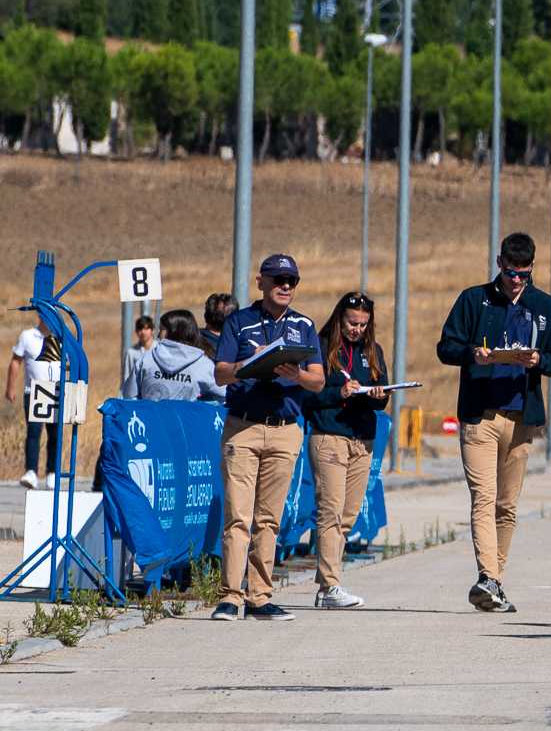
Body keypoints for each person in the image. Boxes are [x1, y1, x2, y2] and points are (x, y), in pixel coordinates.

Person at [436, 232, 551, 615]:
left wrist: (538, 360)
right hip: (480, 416)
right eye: (511, 274)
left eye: (524, 275)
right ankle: (486, 575)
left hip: (521, 416)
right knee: (484, 497)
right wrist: (472, 353)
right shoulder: (473, 299)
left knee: (508, 505)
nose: (516, 282)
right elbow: (445, 347)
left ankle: (496, 580)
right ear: (499, 264)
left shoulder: (545, 307)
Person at [211, 254, 326, 621]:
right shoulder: (238, 322)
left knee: (268, 519)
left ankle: (260, 596)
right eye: (278, 279)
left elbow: (318, 380)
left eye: (292, 280)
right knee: (238, 516)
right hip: (243, 427)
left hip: (284, 431)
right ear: (260, 281)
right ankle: (230, 596)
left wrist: (295, 375)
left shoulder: (304, 325)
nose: (286, 286)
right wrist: (251, 363)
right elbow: (220, 373)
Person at [305, 292, 390, 610]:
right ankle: (329, 586)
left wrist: (378, 394)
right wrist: (337, 391)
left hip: (362, 439)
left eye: (363, 324)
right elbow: (304, 396)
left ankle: (330, 582)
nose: (357, 329)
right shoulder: (319, 346)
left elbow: (382, 397)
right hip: (329, 436)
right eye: (352, 323)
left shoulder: (373, 350)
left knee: (348, 515)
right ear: (340, 318)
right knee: (330, 511)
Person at [7, 312, 66, 489]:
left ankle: (52, 472)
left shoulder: (62, 338)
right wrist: (10, 387)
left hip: (56, 391)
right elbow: (16, 361)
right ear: (40, 316)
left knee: (55, 433)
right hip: (33, 390)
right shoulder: (27, 336)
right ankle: (31, 471)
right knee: (34, 431)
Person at [131, 309, 227, 402]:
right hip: (188, 418)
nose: (158, 335)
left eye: (162, 329)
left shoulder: (146, 360)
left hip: (149, 418)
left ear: (174, 331)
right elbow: (224, 396)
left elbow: (130, 396)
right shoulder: (204, 365)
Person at [120, 315, 156, 397]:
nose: (143, 332)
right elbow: (127, 376)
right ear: (136, 331)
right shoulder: (131, 352)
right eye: (140, 329)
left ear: (152, 330)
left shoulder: (159, 349)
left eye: (146, 329)